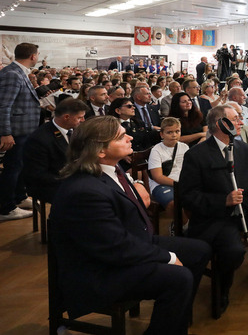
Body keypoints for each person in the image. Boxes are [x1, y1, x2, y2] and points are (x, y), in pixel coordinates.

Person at [49, 116, 212, 335]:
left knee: (200, 250)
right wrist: (168, 257)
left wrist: (137, 183)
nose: (130, 137)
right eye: (121, 136)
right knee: (179, 278)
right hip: (100, 271)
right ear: (100, 151)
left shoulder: (110, 168)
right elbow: (115, 247)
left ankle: (176, 319)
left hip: (130, 243)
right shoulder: (84, 191)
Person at [179, 105, 248, 307]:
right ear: (220, 124)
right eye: (235, 119)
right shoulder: (196, 155)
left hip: (245, 210)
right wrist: (223, 200)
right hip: (217, 217)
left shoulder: (243, 149)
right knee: (233, 251)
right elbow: (188, 196)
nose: (241, 122)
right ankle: (223, 288)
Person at [0, 43, 41, 221]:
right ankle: (6, 208)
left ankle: (19, 197)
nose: (38, 57)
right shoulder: (12, 74)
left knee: (20, 166)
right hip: (16, 131)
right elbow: (3, 106)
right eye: (37, 54)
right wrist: (5, 133)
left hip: (23, 130)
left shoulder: (18, 72)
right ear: (33, 56)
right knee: (13, 168)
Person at [22, 98, 89, 203]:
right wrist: (72, 180)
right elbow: (37, 175)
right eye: (79, 117)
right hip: (49, 184)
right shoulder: (40, 138)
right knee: (89, 198)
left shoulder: (73, 130)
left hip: (71, 177)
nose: (83, 120)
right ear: (66, 117)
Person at [147, 116, 187, 217]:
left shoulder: (184, 147)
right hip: (161, 185)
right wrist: (178, 184)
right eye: (169, 132)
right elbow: (158, 177)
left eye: (177, 131)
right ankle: (178, 225)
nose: (174, 135)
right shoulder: (156, 150)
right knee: (173, 204)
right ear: (162, 134)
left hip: (182, 183)